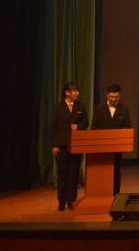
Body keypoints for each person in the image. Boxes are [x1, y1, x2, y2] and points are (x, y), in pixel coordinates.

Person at [50, 81, 89, 211]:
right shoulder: (58, 107)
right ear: (67, 93)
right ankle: (61, 201)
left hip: (76, 146)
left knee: (73, 174)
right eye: (74, 91)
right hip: (61, 146)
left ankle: (71, 200)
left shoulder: (80, 106)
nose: (77, 93)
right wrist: (54, 145)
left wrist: (78, 126)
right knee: (62, 174)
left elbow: (85, 123)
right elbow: (53, 127)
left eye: (77, 91)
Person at [91, 83, 132, 194]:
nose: (114, 99)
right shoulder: (99, 109)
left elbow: (127, 127)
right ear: (107, 95)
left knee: (116, 171)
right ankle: (102, 193)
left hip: (117, 147)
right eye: (112, 97)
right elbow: (94, 127)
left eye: (116, 97)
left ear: (119, 96)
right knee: (102, 170)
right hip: (102, 148)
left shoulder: (124, 109)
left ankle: (116, 195)